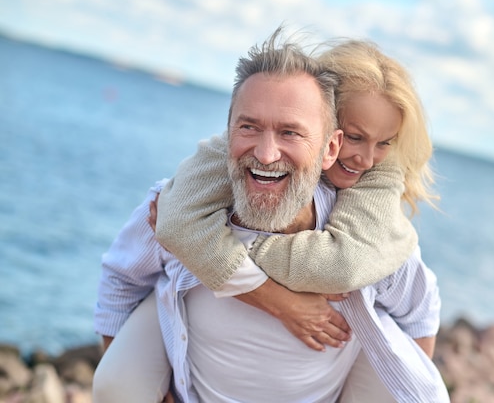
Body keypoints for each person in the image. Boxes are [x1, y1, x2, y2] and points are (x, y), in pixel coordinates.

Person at [94, 29, 448, 402]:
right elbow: (121, 279)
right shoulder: (183, 205)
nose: (266, 153)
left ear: (330, 143)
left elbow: (419, 314)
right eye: (250, 126)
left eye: (291, 132)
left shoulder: (375, 238)